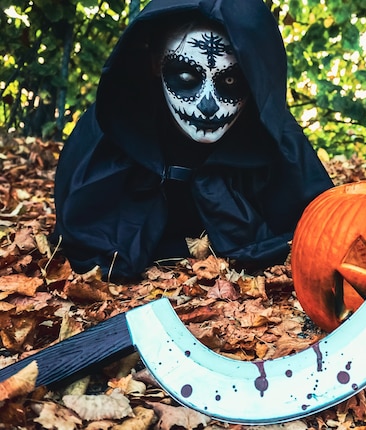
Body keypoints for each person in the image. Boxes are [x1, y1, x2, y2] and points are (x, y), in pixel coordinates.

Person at [51, 0, 334, 279]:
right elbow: (82, 232)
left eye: (231, 81)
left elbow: (322, 230)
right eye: (186, 77)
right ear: (155, 64)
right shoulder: (108, 134)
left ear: (255, 79)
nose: (207, 106)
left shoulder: (280, 143)